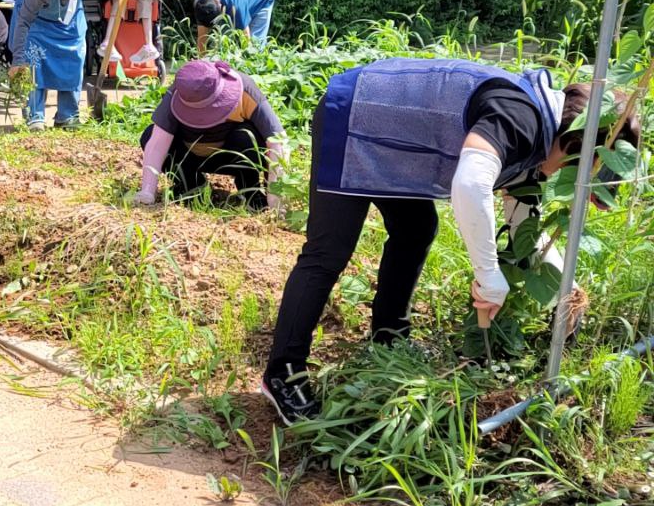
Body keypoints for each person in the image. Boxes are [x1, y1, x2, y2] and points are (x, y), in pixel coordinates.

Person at [262, 57, 641, 425]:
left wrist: (567, 287)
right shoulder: (522, 117)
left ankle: (389, 336)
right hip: (355, 115)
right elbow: (471, 183)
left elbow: (525, 223)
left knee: (416, 228)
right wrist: (488, 273)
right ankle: (283, 373)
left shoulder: (541, 131)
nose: (565, 177)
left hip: (397, 138)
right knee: (328, 251)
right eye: (577, 169)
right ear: (576, 146)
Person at [135, 60, 285, 212]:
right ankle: (192, 185)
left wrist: (275, 197)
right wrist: (147, 191)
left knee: (247, 137)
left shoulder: (246, 90)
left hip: (230, 156)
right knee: (148, 135)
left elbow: (277, 141)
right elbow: (157, 142)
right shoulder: (178, 92)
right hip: (189, 157)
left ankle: (250, 191)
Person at [9, 0, 111, 130]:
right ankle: (34, 115)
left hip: (71, 21)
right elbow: (24, 21)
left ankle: (67, 115)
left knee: (73, 60)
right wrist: (17, 60)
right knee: (34, 62)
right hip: (37, 23)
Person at [194, 0, 276, 53]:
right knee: (223, 42)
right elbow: (202, 37)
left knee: (256, 44)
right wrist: (200, 63)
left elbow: (246, 41)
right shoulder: (201, 4)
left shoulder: (237, 7)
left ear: (221, 8)